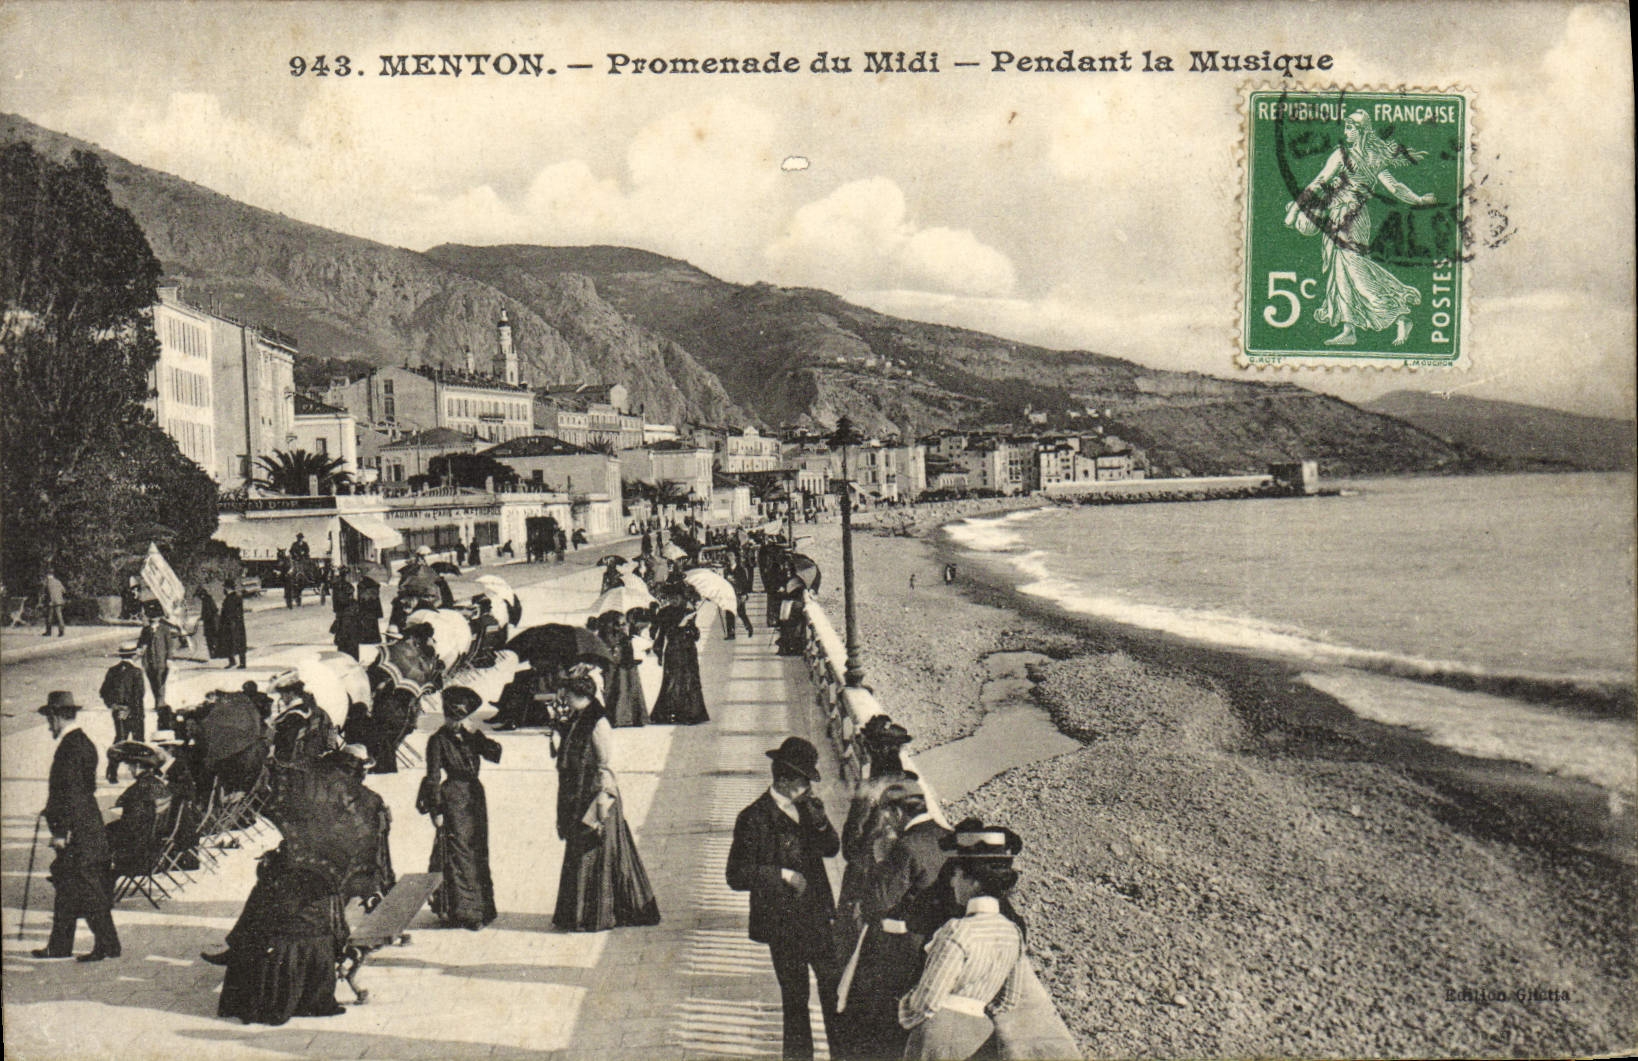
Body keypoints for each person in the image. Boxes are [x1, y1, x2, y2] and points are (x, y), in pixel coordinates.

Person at [727, 737, 842, 1060]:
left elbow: (832, 849)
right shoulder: (753, 818)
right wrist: (782, 875)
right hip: (782, 925)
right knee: (795, 1001)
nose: (808, 787)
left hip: (818, 918)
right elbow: (735, 876)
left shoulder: (809, 809)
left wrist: (820, 822)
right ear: (786, 780)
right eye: (805, 780)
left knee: (833, 992)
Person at [1289, 109, 1435, 348]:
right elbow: (1396, 188)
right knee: (1341, 270)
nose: (1345, 132)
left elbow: (1320, 180)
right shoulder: (1376, 158)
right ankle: (1349, 329)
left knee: (1354, 268)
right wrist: (1418, 200)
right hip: (1345, 217)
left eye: (1349, 128)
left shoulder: (1343, 155)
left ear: (1361, 132)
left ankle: (1399, 312)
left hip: (1349, 219)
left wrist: (1295, 209)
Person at [896, 825, 1027, 1061]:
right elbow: (1009, 1000)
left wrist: (905, 1010)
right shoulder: (1012, 933)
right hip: (980, 1035)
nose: (952, 882)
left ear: (973, 881)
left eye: (956, 875)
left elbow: (928, 1001)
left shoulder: (958, 930)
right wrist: (975, 1011)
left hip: (939, 1033)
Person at [843, 783, 952, 1061]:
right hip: (939, 950)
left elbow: (877, 902)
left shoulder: (907, 846)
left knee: (876, 1026)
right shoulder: (949, 837)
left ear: (895, 812)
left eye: (886, 814)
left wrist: (880, 860)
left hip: (899, 952)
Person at [552, 676, 661, 932]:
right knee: (582, 853)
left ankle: (595, 914)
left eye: (568, 694)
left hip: (596, 795)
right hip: (578, 793)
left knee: (595, 852)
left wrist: (603, 801)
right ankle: (579, 913)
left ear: (581, 695)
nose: (564, 699)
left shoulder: (598, 722)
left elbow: (605, 764)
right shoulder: (579, 717)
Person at [33, 692, 120, 961]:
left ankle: (108, 944)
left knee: (86, 887)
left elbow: (70, 792)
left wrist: (60, 831)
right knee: (68, 886)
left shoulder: (70, 746)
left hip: (78, 831)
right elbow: (86, 788)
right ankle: (60, 945)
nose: (49, 726)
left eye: (50, 720)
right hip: (86, 824)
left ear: (57, 716)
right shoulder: (83, 742)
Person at [418, 686, 501, 930]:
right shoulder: (437, 741)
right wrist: (436, 810)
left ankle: (482, 907)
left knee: (477, 851)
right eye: (453, 718)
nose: (456, 723)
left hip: (475, 796)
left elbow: (496, 754)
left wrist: (478, 736)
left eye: (461, 718)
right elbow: (432, 777)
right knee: (458, 854)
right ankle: (464, 911)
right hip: (453, 798)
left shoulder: (471, 737)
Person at [105, 743, 173, 877]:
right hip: (153, 848)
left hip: (138, 853)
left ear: (137, 766)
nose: (129, 770)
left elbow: (131, 824)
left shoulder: (139, 789)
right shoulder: (157, 784)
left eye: (130, 766)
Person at [650, 597, 709, 725]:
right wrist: (659, 652)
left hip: (688, 652)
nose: (675, 600)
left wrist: (690, 627)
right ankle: (671, 712)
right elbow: (662, 634)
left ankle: (691, 713)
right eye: (672, 596)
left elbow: (696, 636)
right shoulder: (664, 613)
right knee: (672, 681)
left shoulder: (688, 612)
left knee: (689, 680)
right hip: (674, 651)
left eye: (677, 596)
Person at [100, 646, 148, 783]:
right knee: (139, 742)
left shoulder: (112, 671)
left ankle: (112, 772)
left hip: (118, 712)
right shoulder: (136, 672)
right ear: (134, 656)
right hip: (135, 713)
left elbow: (103, 691)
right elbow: (139, 695)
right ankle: (141, 773)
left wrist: (114, 705)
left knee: (120, 741)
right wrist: (131, 710)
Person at [597, 611, 648, 728]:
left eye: (624, 623)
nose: (624, 626)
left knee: (626, 688)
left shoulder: (621, 634)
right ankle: (623, 717)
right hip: (618, 665)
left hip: (625, 664)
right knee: (619, 689)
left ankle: (626, 717)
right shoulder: (610, 635)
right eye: (621, 623)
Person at [137, 605, 180, 730]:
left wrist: (169, 659)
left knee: (161, 682)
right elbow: (141, 643)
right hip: (149, 661)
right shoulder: (145, 630)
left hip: (161, 661)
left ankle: (160, 703)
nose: (153, 620)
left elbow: (169, 646)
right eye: (151, 618)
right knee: (153, 682)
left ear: (159, 618)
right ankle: (158, 700)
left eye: (155, 618)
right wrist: (140, 650)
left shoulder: (165, 629)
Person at [218, 577, 248, 669]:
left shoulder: (230, 599)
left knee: (232, 643)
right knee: (238, 643)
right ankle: (240, 662)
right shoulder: (237, 597)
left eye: (225, 588)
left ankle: (235, 662)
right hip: (238, 623)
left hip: (231, 624)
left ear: (227, 588)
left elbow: (229, 613)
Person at [194, 584, 222, 661]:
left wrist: (203, 617)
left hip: (211, 622)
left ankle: (215, 654)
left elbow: (208, 612)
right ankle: (215, 653)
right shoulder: (208, 599)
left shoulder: (206, 599)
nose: (199, 598)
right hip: (212, 621)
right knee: (213, 638)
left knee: (211, 638)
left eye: (199, 596)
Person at [41, 566, 66, 636]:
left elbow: (45, 593)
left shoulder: (46, 583)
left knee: (49, 617)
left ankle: (48, 632)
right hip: (59, 601)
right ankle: (61, 632)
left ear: (47, 575)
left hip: (51, 602)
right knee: (59, 616)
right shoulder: (58, 581)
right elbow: (64, 591)